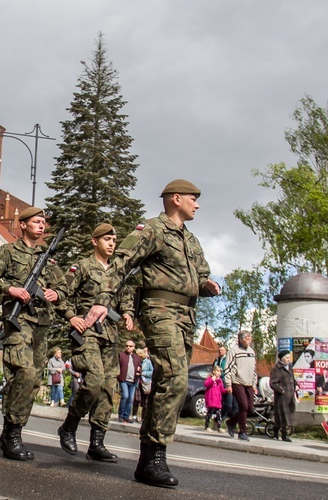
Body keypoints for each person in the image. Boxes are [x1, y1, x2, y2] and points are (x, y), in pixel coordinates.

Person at [85, 179, 220, 488]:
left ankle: (147, 460)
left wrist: (207, 285)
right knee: (175, 378)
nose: (197, 204)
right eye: (192, 199)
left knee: (165, 382)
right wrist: (104, 300)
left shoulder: (192, 240)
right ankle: (156, 455)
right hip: (159, 311)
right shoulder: (152, 230)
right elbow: (121, 263)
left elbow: (201, 275)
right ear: (176, 199)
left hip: (186, 316)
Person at [0, 206, 80, 461]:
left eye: (43, 222)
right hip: (18, 323)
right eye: (36, 221)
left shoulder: (47, 260)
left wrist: (57, 293)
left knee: (33, 380)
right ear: (22, 224)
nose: (41, 226)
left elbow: (63, 286)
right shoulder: (9, 252)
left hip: (41, 326)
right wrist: (10, 289)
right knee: (23, 374)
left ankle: (11, 431)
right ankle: (13, 434)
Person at [56, 222, 134, 462]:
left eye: (114, 240)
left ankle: (96, 443)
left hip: (110, 335)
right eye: (107, 239)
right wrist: (71, 317)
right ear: (94, 241)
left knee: (108, 389)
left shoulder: (118, 272)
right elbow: (61, 294)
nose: (112, 244)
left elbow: (125, 298)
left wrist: (128, 313)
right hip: (88, 332)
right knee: (94, 381)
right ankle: (69, 425)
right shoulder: (82, 266)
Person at [224, 330, 258, 442]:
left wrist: (254, 384)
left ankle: (231, 422)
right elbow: (227, 368)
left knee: (250, 408)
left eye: (250, 338)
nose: (249, 340)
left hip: (249, 383)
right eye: (247, 338)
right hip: (238, 381)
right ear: (241, 339)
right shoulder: (234, 351)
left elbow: (254, 369)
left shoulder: (251, 351)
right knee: (243, 406)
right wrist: (228, 383)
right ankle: (242, 431)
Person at [269, 350, 298, 442]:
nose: (289, 359)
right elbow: (273, 383)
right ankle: (284, 434)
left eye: (289, 357)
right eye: (287, 358)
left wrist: (296, 385)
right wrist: (282, 390)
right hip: (282, 397)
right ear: (281, 358)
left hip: (290, 396)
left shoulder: (289, 367)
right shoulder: (277, 369)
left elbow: (292, 379)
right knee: (283, 416)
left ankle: (276, 431)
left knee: (286, 416)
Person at [117, 341, 141, 423]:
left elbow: (140, 367)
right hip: (124, 380)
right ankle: (121, 415)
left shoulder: (137, 357)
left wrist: (139, 371)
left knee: (130, 399)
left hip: (133, 381)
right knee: (125, 396)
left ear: (133, 347)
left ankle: (126, 416)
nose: (128, 347)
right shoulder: (121, 355)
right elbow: (117, 366)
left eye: (130, 346)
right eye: (127, 345)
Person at [212, 345, 234, 420]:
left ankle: (220, 418)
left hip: (226, 383)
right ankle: (218, 421)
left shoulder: (228, 360)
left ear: (225, 351)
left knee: (229, 404)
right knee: (219, 404)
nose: (220, 352)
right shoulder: (216, 360)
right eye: (219, 350)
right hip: (218, 384)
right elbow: (213, 370)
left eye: (222, 350)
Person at [203, 365, 224, 432]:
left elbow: (221, 390)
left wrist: (227, 390)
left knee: (219, 414)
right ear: (214, 371)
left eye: (220, 372)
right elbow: (206, 384)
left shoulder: (220, 381)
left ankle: (219, 427)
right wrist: (212, 379)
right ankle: (207, 426)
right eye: (218, 371)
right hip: (211, 400)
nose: (219, 373)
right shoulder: (210, 378)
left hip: (217, 401)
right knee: (209, 414)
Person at [136, 348, 153, 423]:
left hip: (145, 383)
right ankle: (135, 416)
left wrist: (142, 373)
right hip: (138, 383)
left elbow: (151, 372)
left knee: (145, 401)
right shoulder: (137, 362)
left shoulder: (148, 362)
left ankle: (144, 417)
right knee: (137, 400)